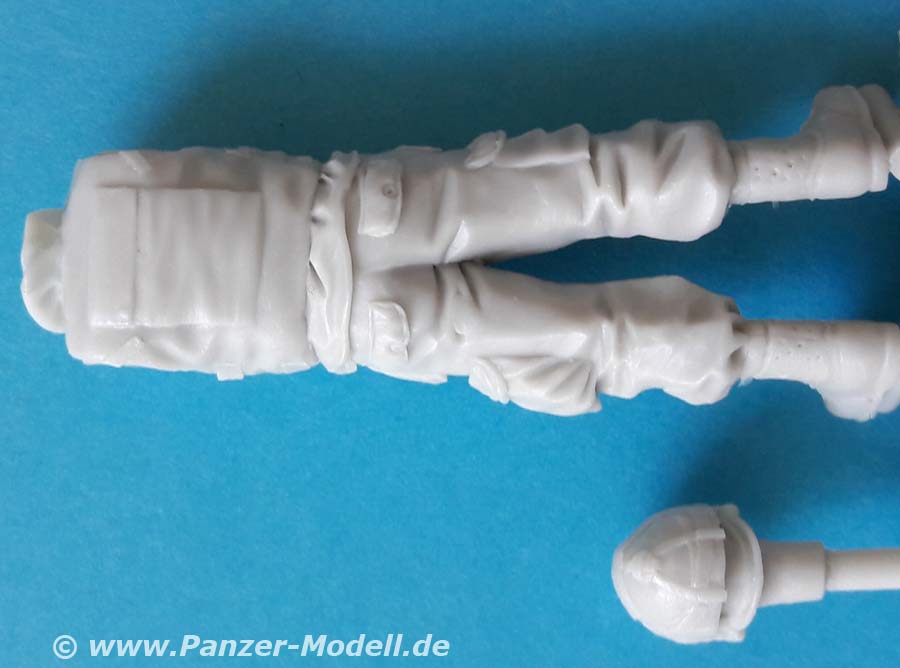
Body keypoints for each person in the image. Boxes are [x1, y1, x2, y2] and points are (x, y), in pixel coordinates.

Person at [21, 85, 900, 419]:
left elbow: (230, 353)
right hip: (365, 209)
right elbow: (234, 164)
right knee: (591, 182)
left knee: (596, 342)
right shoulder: (106, 179)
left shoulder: (103, 334)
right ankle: (833, 159)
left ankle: (836, 356)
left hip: (367, 327)